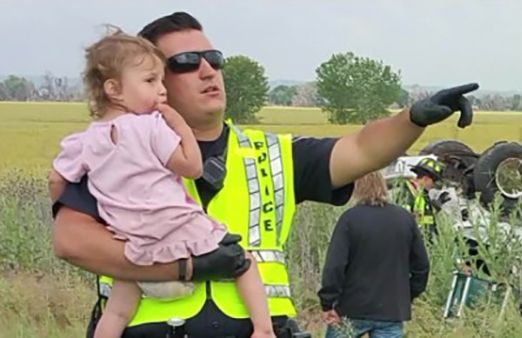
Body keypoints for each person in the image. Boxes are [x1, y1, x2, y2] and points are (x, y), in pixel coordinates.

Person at [51, 11, 478, 338]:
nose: (208, 70)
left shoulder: (270, 154)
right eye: (185, 62)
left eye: (213, 59)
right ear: (149, 81)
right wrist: (185, 268)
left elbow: (362, 148)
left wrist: (415, 118)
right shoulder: (112, 150)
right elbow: (71, 241)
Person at [48, 29, 275, 338]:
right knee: (243, 260)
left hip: (133, 246)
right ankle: (264, 330)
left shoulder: (84, 141)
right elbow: (192, 167)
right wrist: (178, 124)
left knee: (117, 309)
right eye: (150, 81)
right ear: (114, 89)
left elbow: (57, 180)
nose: (162, 90)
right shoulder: (151, 127)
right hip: (177, 231)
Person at [318, 171, 429, 338]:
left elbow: (335, 266)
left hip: (351, 308)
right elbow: (422, 266)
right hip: (391, 309)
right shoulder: (404, 219)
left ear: (357, 189)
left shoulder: (350, 219)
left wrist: (328, 302)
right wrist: (407, 294)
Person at [394, 157, 446, 235]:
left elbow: (428, 223)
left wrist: (435, 210)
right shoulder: (406, 194)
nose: (434, 186)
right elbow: (402, 224)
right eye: (434, 182)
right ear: (425, 179)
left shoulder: (423, 195)